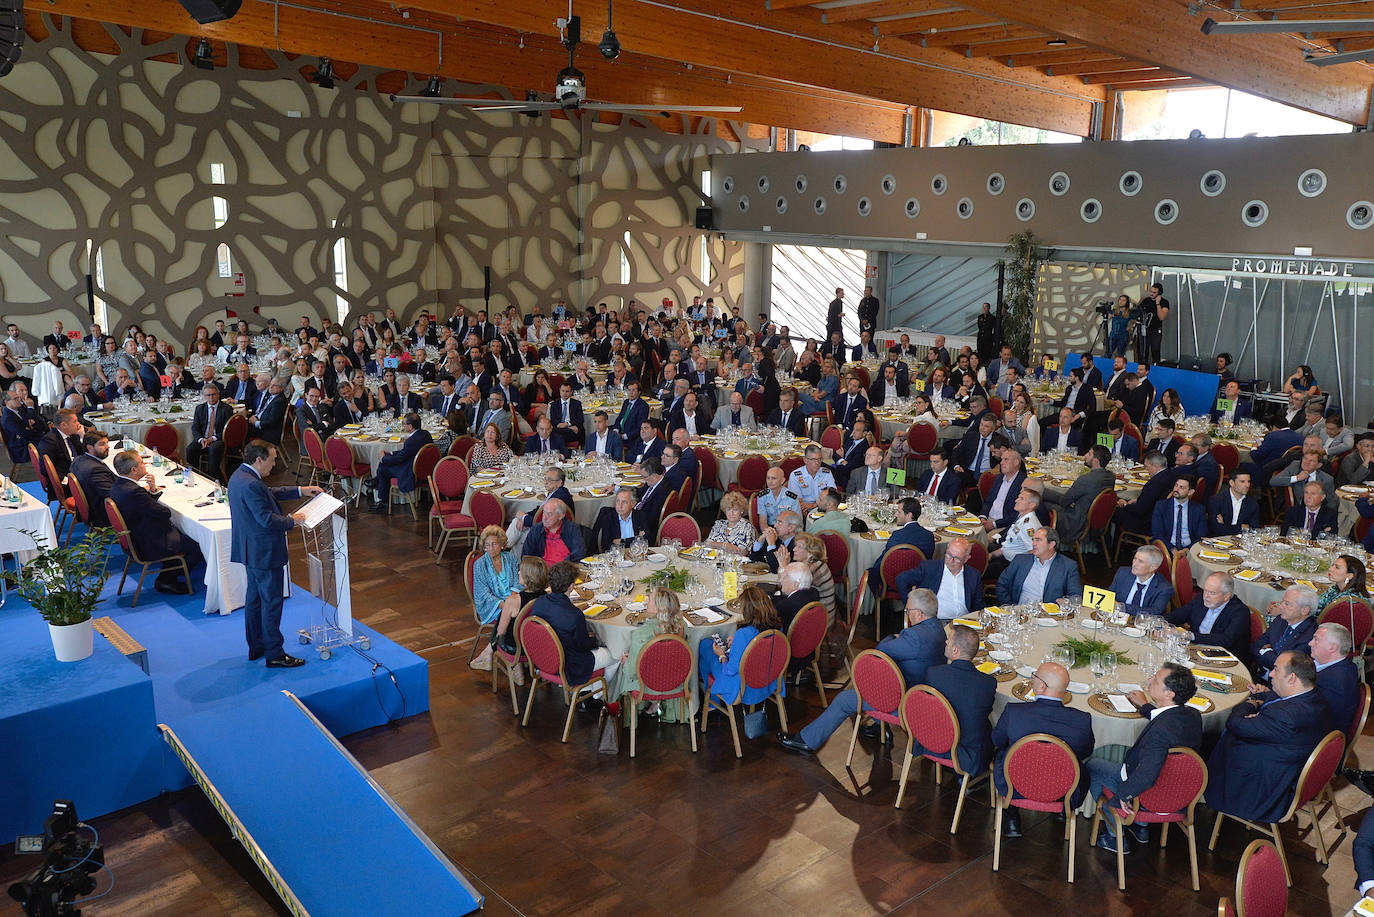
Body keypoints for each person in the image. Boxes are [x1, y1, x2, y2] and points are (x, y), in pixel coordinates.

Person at [776, 589, 945, 755]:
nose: (907, 614)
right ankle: (880, 727)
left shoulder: (915, 637)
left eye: (908, 611)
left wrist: (893, 637)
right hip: (927, 696)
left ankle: (807, 741)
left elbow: (882, 648)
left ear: (920, 614)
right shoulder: (939, 630)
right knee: (885, 679)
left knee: (844, 699)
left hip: (906, 701)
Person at [1206, 650, 1332, 824]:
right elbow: (1278, 699)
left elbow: (1234, 723)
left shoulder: (1286, 717)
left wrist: (1250, 703)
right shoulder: (1314, 697)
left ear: (1292, 678)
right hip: (1282, 762)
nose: (1271, 674)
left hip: (1260, 790)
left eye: (1276, 669)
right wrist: (1261, 702)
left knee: (1206, 743)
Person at [1091, 663, 1203, 853]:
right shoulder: (1192, 715)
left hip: (1148, 794)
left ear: (1169, 694)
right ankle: (1140, 828)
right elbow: (1166, 719)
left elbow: (1148, 774)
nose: (1150, 680)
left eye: (1156, 680)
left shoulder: (1159, 732)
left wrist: (1125, 794)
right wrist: (1145, 706)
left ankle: (1115, 835)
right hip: (1178, 793)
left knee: (1093, 766)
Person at [992, 661, 1095, 836]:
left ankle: (1012, 819)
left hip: (1014, 784)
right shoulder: (1081, 720)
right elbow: (1085, 753)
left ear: (1041, 685)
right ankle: (1062, 812)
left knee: (1004, 752)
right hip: (1065, 790)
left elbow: (997, 740)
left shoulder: (1014, 712)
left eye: (1035, 676)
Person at [109, 449, 205, 595]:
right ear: (134, 470)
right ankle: (167, 579)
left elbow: (143, 506)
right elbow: (164, 513)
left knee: (181, 532)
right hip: (148, 542)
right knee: (197, 544)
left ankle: (170, 571)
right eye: (142, 462)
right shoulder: (134, 492)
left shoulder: (119, 486)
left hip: (136, 535)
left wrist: (152, 491)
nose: (144, 464)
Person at [532, 561, 620, 703]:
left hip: (542, 658)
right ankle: (597, 697)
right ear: (572, 586)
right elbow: (583, 647)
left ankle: (587, 691)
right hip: (568, 666)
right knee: (615, 655)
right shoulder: (574, 615)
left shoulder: (540, 602)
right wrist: (595, 639)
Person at [608, 586, 688, 721]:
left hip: (647, 685)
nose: (646, 602)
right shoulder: (682, 627)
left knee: (622, 667)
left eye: (649, 600)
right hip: (676, 682)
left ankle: (614, 707)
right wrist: (637, 657)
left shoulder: (641, 633)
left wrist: (629, 660)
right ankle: (657, 704)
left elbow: (631, 672)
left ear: (658, 608)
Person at [701, 584, 784, 711]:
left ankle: (712, 701)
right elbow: (762, 649)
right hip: (769, 679)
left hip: (744, 687)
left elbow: (730, 670)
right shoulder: (777, 627)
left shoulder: (743, 634)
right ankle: (711, 699)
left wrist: (721, 656)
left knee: (706, 647)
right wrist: (738, 644)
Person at [468, 525, 520, 672]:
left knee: (519, 613)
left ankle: (489, 652)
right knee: (515, 616)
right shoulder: (480, 565)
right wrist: (503, 604)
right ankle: (515, 664)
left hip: (512, 600)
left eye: (494, 544)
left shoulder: (510, 558)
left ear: (502, 544)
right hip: (493, 604)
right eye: (487, 545)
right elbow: (482, 593)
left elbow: (518, 582)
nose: (490, 548)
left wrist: (512, 598)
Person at [894, 536, 983, 619]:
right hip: (936, 623)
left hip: (964, 623)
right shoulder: (929, 568)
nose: (951, 561)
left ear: (966, 559)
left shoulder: (974, 575)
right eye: (949, 555)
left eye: (956, 558)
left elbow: (978, 607)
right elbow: (901, 579)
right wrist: (911, 606)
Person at [1043, 444, 1114, 544]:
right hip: (1095, 523)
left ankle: (1046, 544)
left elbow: (1064, 502)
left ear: (1096, 461)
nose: (1085, 455)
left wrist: (1042, 492)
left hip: (1076, 524)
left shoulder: (1085, 479)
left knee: (1041, 502)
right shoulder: (1111, 477)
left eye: (1089, 454)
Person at [867, 497, 936, 595]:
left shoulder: (897, 535)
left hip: (893, 580)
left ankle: (882, 606)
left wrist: (873, 570)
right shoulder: (929, 536)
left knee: (870, 573)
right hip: (919, 582)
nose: (896, 514)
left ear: (909, 515)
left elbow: (883, 561)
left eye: (899, 512)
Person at [996, 527, 1081, 605]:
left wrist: (1065, 602)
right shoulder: (1020, 560)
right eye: (1033, 540)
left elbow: (1075, 596)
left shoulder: (1068, 566)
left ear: (1051, 544)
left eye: (1038, 540)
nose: (1033, 543)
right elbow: (1001, 584)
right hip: (1020, 615)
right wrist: (1009, 607)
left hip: (1049, 618)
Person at [368, 412, 433, 511]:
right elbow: (406, 453)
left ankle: (383, 502)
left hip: (411, 472)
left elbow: (399, 459)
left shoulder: (410, 441)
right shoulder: (425, 434)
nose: (403, 426)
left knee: (382, 468)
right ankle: (377, 482)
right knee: (385, 463)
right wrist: (390, 453)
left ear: (410, 426)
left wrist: (382, 458)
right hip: (424, 469)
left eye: (404, 424)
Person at [1253, 585, 1320, 680]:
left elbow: (1286, 667)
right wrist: (1271, 655)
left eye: (1287, 604)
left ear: (1304, 610)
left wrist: (1265, 652)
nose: (1281, 606)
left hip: (1281, 688)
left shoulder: (1310, 636)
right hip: (1259, 677)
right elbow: (1256, 646)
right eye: (1282, 602)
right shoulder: (1281, 620)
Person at [1108, 546, 1173, 617]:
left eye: (1140, 561)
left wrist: (1121, 607)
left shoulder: (1164, 588)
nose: (1134, 564)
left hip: (1143, 625)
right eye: (1135, 559)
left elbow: (1154, 612)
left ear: (1153, 567)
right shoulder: (1123, 573)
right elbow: (1110, 596)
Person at [185, 384, 233, 480]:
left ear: (218, 394)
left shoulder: (227, 409)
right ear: (204, 396)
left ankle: (212, 477)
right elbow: (195, 428)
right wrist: (200, 439)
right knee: (190, 449)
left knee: (214, 449)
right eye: (208, 395)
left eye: (213, 394)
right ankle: (196, 474)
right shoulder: (200, 408)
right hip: (203, 437)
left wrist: (213, 438)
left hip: (219, 439)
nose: (211, 397)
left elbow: (227, 430)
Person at [70, 431, 115, 527]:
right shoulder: (96, 469)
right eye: (102, 444)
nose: (107, 447)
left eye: (107, 443)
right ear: (90, 447)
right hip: (103, 513)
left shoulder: (78, 460)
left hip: (92, 505)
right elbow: (113, 495)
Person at [522, 499, 586, 564]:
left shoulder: (572, 529)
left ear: (561, 516)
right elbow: (526, 556)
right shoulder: (536, 530)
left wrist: (563, 566)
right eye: (544, 513)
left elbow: (579, 552)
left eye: (549, 514)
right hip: (542, 572)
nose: (544, 518)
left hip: (565, 570)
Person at [35, 408, 83, 486]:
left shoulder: (73, 435)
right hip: (64, 481)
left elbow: (83, 455)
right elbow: (45, 469)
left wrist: (82, 436)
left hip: (77, 473)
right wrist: (68, 481)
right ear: (63, 425)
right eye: (75, 421)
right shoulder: (49, 441)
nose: (78, 424)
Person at [591, 488, 648, 553]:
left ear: (633, 504)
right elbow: (606, 546)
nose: (620, 506)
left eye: (624, 502)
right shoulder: (608, 518)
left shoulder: (641, 516)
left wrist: (621, 541)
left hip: (636, 556)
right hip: (617, 557)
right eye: (618, 501)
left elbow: (647, 540)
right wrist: (636, 538)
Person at [1207, 468, 1259, 536]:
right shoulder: (1216, 500)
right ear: (1231, 482)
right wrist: (1241, 528)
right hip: (1219, 542)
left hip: (1242, 543)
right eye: (1242, 481)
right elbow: (1215, 529)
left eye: (1248, 481)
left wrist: (1225, 526)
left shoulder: (1252, 504)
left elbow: (1254, 531)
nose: (1247, 485)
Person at [704, 491, 756, 556]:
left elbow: (743, 552)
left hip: (737, 564)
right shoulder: (719, 524)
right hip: (715, 561)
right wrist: (726, 545)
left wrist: (717, 545)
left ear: (741, 510)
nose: (731, 513)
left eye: (735, 510)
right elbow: (707, 544)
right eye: (728, 509)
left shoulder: (747, 527)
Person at [772, 561, 819, 631]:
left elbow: (769, 613)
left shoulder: (789, 604)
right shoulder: (813, 592)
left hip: (787, 638)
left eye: (785, 577)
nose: (780, 580)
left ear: (796, 583)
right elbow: (786, 598)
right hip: (807, 633)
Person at [750, 509, 801, 573]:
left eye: (779, 522)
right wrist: (760, 541)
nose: (775, 526)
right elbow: (754, 558)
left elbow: (776, 569)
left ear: (791, 528)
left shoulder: (798, 545)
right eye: (776, 522)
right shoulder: (778, 539)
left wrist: (771, 544)